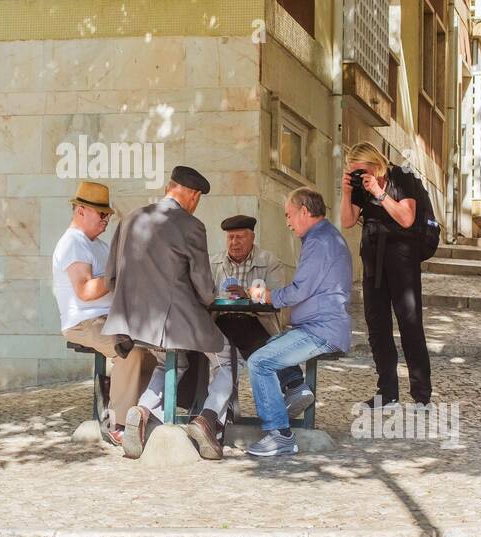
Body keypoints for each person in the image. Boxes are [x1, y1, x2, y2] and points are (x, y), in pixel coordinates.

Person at [103, 165, 229, 461]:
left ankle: (142, 410)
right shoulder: (191, 226)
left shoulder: (130, 218)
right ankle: (207, 420)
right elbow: (204, 289)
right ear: (194, 196)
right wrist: (215, 296)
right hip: (171, 325)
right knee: (227, 359)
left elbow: (111, 278)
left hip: (129, 324)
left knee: (172, 362)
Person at [247, 188, 352, 457]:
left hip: (320, 330)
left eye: (289, 215)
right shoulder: (325, 237)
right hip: (321, 326)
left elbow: (299, 289)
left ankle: (279, 434)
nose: (288, 222)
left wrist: (268, 296)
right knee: (270, 342)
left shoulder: (319, 242)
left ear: (305, 211)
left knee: (259, 362)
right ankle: (296, 389)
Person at [54, 182, 155, 445]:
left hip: (110, 317)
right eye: (102, 214)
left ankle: (138, 412)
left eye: (108, 214)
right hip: (84, 321)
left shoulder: (97, 244)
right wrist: (121, 274)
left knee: (155, 348)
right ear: (81, 211)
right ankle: (119, 422)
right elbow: (85, 290)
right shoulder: (72, 243)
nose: (107, 219)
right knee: (127, 348)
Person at [339, 142, 432, 409]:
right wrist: (347, 193)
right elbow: (347, 221)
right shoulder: (360, 187)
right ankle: (387, 392)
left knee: (410, 325)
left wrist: (379, 192)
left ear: (375, 164)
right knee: (377, 327)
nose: (359, 176)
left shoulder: (400, 177)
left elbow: (406, 218)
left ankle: (421, 395)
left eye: (362, 171)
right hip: (372, 261)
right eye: (354, 172)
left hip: (402, 259)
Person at [209, 214, 316, 429]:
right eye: (230, 238)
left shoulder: (269, 261)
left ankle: (223, 405)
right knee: (231, 325)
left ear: (252, 238)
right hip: (218, 324)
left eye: (240, 237)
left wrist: (247, 295)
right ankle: (294, 383)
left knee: (242, 324)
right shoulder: (214, 262)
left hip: (259, 323)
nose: (234, 243)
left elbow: (276, 298)